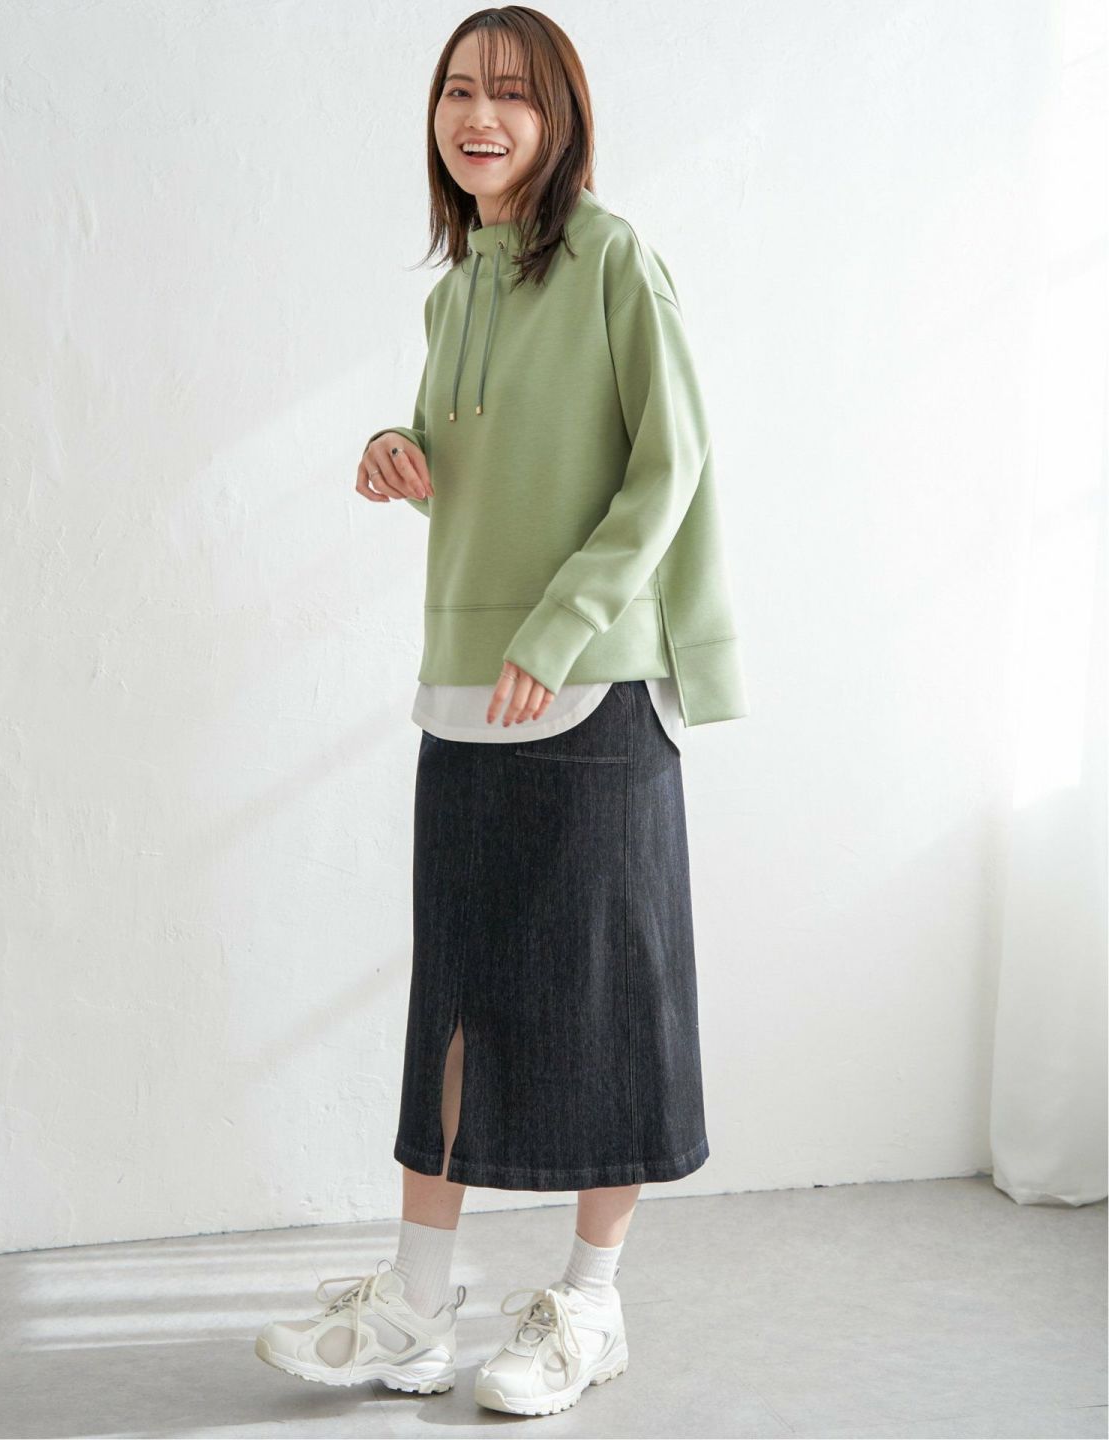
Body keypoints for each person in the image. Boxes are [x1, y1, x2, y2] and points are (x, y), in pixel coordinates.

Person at [256, 5, 748, 1418]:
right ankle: (418, 1308)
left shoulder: (615, 260)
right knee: (458, 1001)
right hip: (465, 688)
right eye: (459, 91)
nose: (481, 116)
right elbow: (477, 466)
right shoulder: (452, 295)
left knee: (609, 1003)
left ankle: (590, 1306)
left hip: (596, 688)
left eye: (514, 95)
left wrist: (563, 626)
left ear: (561, 118)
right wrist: (398, 449)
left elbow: (668, 466)